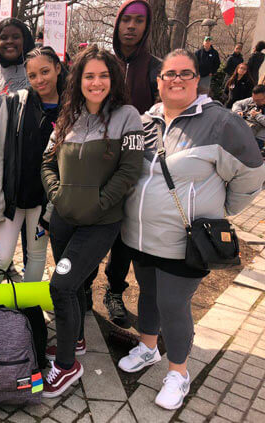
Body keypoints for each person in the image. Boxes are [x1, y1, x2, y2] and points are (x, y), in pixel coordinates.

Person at [119, 49, 265, 410]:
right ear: (159, 80)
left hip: (186, 241)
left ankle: (179, 372)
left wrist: (223, 210)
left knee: (173, 303)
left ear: (198, 78)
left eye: (186, 73)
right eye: (170, 74)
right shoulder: (144, 120)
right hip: (142, 236)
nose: (177, 79)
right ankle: (149, 348)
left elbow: (252, 175)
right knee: (149, 295)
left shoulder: (221, 122)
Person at [40, 45, 144, 397]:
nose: (96, 82)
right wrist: (57, 194)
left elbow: (131, 169)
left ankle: (67, 366)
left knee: (62, 285)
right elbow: (47, 162)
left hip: (100, 222)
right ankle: (75, 338)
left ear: (112, 79)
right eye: (89, 76)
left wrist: (99, 203)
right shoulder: (68, 115)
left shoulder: (128, 116)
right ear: (78, 80)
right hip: (64, 219)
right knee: (77, 285)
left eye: (103, 75)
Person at [87, 0, 160, 327]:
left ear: (147, 26)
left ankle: (115, 290)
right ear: (117, 24)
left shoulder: (156, 68)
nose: (131, 26)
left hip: (135, 164)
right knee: (90, 225)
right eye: (126, 20)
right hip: (95, 162)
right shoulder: (102, 63)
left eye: (139, 21)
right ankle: (83, 284)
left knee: (124, 235)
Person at [0, 46, 64, 285]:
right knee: (2, 256)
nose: (39, 80)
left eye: (45, 71)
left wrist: (53, 208)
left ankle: (28, 311)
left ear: (58, 69)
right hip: (13, 198)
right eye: (32, 75)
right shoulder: (15, 103)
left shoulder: (70, 109)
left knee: (37, 256)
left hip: (44, 201)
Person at [0, 18, 35, 117]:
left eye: (16, 37)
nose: (9, 41)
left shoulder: (38, 70)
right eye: (4, 38)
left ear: (25, 40)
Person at [232, 84, 265, 150]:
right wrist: (238, 111)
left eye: (258, 100)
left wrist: (257, 115)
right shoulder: (253, 100)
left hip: (258, 137)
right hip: (244, 130)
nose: (255, 102)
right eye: (254, 99)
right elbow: (237, 103)